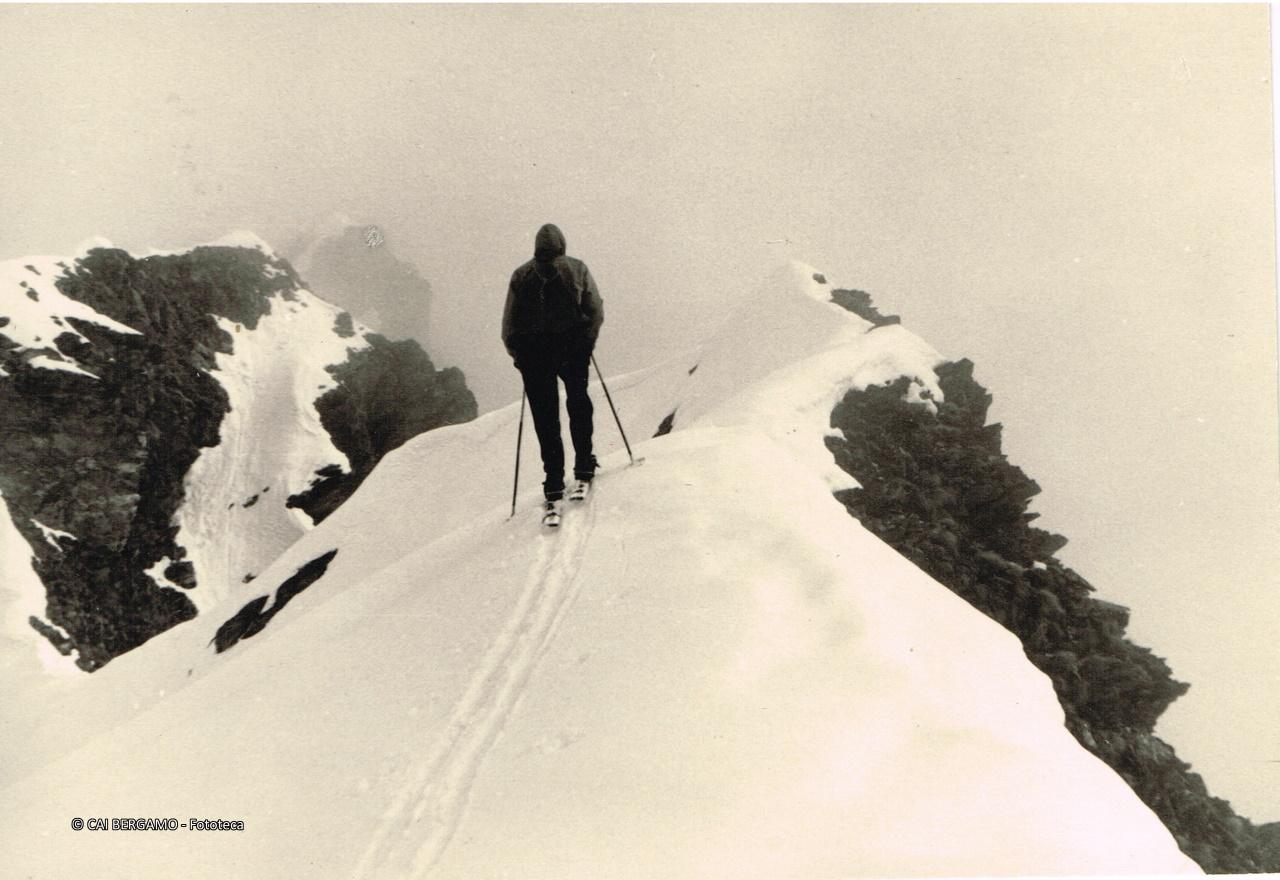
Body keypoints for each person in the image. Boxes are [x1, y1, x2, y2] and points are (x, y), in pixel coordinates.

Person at [501, 223, 604, 522]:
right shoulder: (577, 268)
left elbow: (509, 326)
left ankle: (554, 486)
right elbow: (595, 310)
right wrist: (586, 342)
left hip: (535, 357)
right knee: (578, 405)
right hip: (572, 350)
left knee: (547, 422)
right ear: (563, 244)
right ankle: (584, 466)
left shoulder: (521, 275)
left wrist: (520, 356)